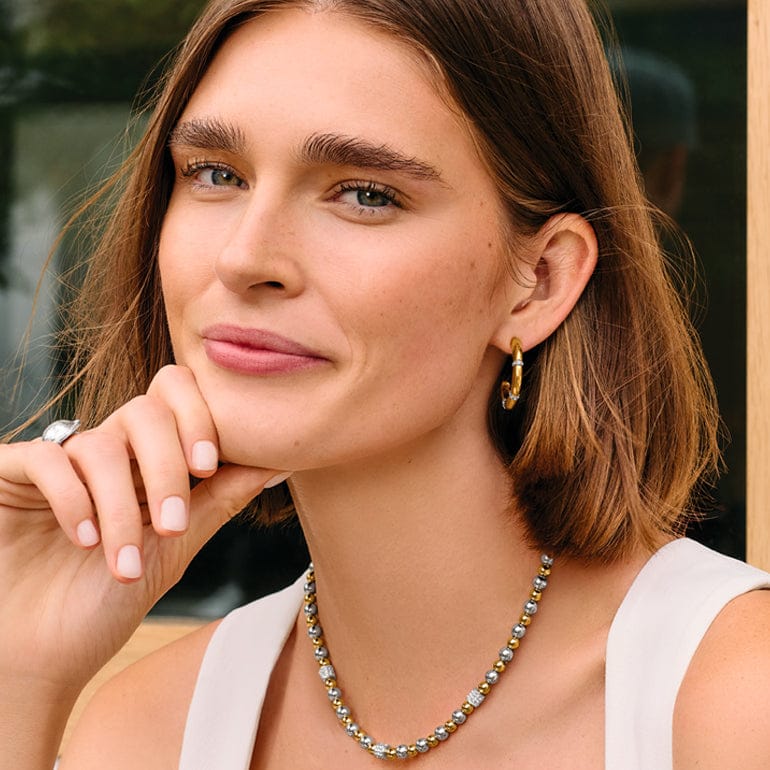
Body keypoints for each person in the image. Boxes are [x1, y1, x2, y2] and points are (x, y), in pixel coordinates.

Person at [1, 1, 768, 768]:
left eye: (366, 194)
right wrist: (19, 672)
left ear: (538, 281)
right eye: (216, 174)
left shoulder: (736, 702)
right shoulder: (146, 733)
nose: (244, 258)